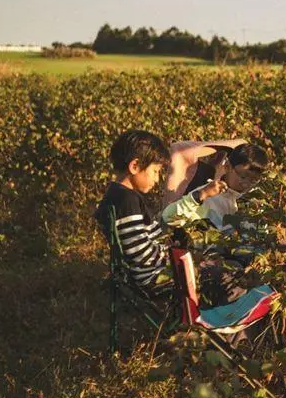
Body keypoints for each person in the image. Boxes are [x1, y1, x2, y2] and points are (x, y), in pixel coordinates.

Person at [94, 130, 245, 304]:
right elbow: (142, 255)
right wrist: (177, 256)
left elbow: (145, 237)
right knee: (230, 275)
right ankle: (225, 321)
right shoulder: (128, 200)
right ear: (135, 166)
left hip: (139, 275)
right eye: (156, 171)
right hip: (155, 278)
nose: (157, 179)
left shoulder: (114, 195)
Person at [162, 140, 267, 231]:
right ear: (227, 167)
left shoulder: (254, 203)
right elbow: (169, 218)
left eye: (254, 180)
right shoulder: (209, 195)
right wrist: (200, 195)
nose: (246, 183)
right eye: (243, 176)